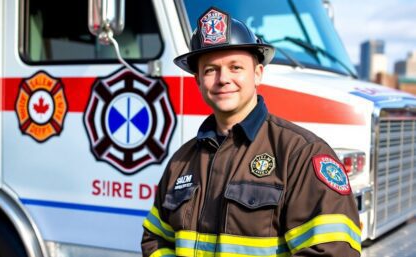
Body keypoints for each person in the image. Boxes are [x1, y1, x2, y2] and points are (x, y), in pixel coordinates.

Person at [141, 6, 361, 257]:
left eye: (235, 67)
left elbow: (333, 252)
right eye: (210, 70)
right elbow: (156, 239)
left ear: (257, 74)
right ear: (198, 81)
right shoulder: (182, 161)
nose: (223, 79)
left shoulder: (300, 154)